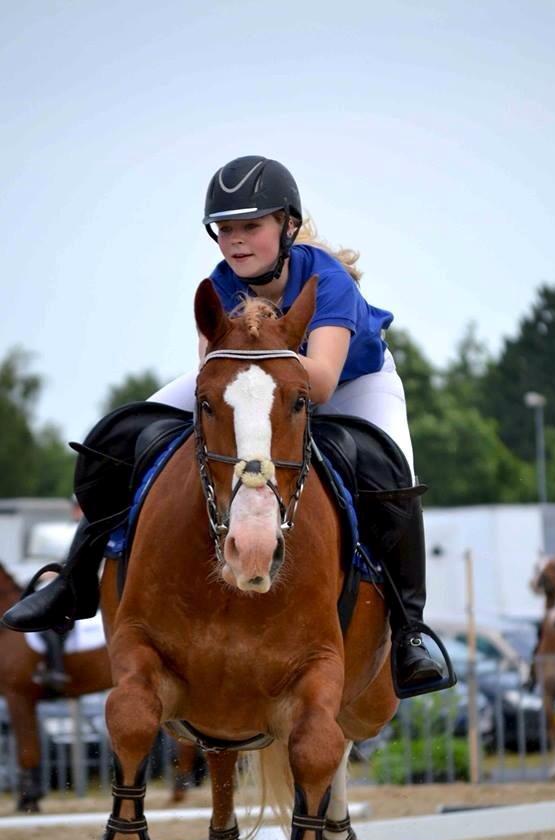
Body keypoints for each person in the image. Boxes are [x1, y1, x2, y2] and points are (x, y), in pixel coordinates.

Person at [1, 155, 450, 699]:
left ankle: (410, 632)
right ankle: (71, 580)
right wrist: (245, 376)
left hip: (354, 385)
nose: (236, 241)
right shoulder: (219, 284)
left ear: (286, 226)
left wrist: (257, 365)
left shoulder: (327, 281)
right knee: (123, 437)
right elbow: (214, 379)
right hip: (255, 388)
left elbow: (325, 381)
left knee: (392, 478)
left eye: (251, 226)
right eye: (226, 230)